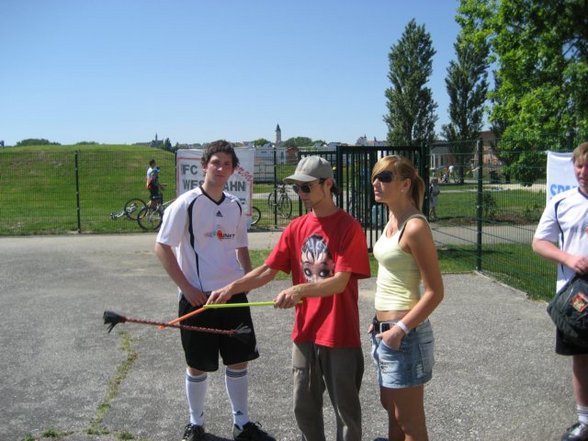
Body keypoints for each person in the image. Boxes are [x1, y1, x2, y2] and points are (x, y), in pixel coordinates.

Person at [208, 156, 371, 441]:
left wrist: (297, 291)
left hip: (339, 334)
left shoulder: (349, 227)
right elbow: (268, 269)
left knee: (346, 412)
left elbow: (340, 282)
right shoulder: (296, 228)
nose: (301, 195)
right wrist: (232, 288)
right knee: (304, 406)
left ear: (328, 184)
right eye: (297, 189)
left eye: (306, 188)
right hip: (305, 333)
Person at [154, 140, 274, 441]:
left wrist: (248, 279)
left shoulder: (235, 205)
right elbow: (161, 247)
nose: (221, 168)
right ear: (205, 165)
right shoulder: (185, 203)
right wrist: (187, 288)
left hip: (232, 297)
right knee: (197, 365)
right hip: (199, 298)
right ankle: (195, 424)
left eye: (227, 164)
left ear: (233, 170)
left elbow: (241, 247)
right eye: (216, 162)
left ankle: (242, 423)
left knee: (239, 360)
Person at [370, 155, 444, 441]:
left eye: (385, 177)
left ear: (404, 184)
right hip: (384, 331)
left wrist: (399, 330)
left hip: (404, 335)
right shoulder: (392, 218)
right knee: (391, 410)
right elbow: (392, 277)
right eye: (375, 176)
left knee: (410, 423)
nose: (376, 183)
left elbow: (435, 292)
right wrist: (378, 322)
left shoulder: (414, 226)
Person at [532, 142, 588, 441]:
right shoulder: (562, 202)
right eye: (579, 166)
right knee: (580, 358)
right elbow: (539, 242)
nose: (583, 172)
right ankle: (584, 421)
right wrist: (569, 259)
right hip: (575, 298)